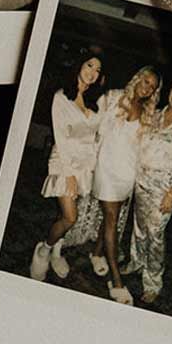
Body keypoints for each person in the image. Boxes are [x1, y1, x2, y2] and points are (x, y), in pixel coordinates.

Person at [29, 49, 103, 283]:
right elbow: (61, 137)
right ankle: (43, 249)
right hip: (64, 162)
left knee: (65, 213)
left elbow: (95, 137)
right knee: (70, 217)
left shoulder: (95, 102)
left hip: (86, 165)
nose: (92, 72)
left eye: (98, 69)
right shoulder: (61, 97)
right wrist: (70, 174)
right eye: (90, 65)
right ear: (80, 65)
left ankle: (58, 252)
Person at [124, 76, 172, 305]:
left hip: (164, 187)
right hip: (142, 179)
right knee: (139, 227)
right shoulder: (155, 115)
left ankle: (153, 281)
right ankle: (135, 262)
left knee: (155, 235)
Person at [89, 66, 161, 303]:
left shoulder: (149, 112)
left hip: (126, 173)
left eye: (152, 86)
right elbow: (92, 124)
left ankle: (96, 253)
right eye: (145, 80)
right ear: (137, 77)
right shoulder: (113, 97)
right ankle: (116, 280)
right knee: (111, 218)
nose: (147, 87)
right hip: (107, 168)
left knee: (113, 215)